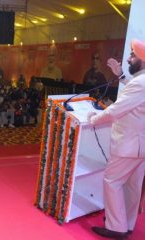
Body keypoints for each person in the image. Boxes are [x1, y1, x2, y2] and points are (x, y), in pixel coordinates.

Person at [87, 39, 145, 239]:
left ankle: (116, 228)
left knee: (112, 182)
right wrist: (121, 75)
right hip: (140, 147)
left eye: (133, 55)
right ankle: (127, 224)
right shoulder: (142, 81)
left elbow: (115, 110)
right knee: (132, 187)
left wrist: (94, 119)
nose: (129, 58)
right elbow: (137, 94)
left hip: (129, 145)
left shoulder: (140, 83)